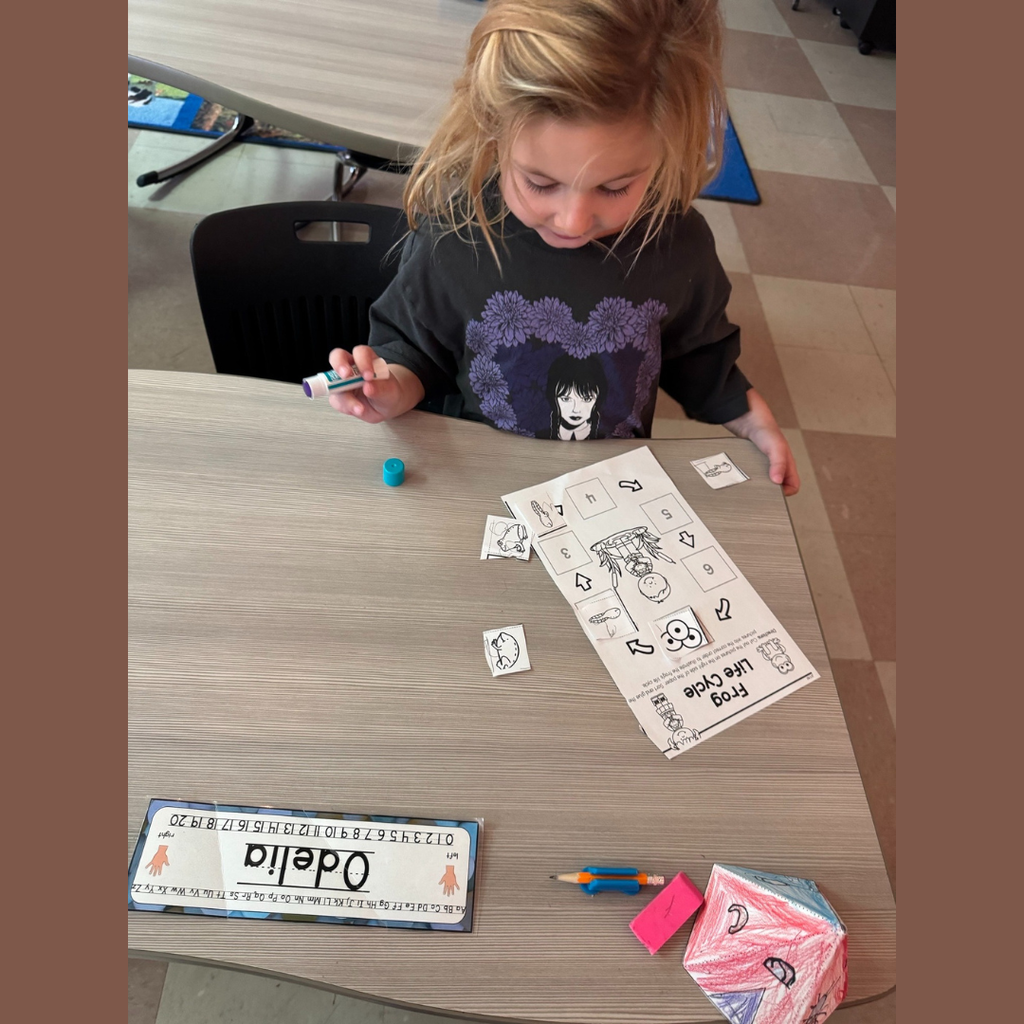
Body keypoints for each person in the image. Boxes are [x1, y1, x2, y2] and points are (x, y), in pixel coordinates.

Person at [327, 0, 799, 495]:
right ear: (493, 131)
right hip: (479, 482)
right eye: (539, 182)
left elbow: (699, 354)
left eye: (615, 187)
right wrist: (387, 389)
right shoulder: (455, 234)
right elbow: (415, 352)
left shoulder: (678, 244)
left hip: (609, 493)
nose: (573, 220)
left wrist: (754, 422)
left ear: (666, 146)